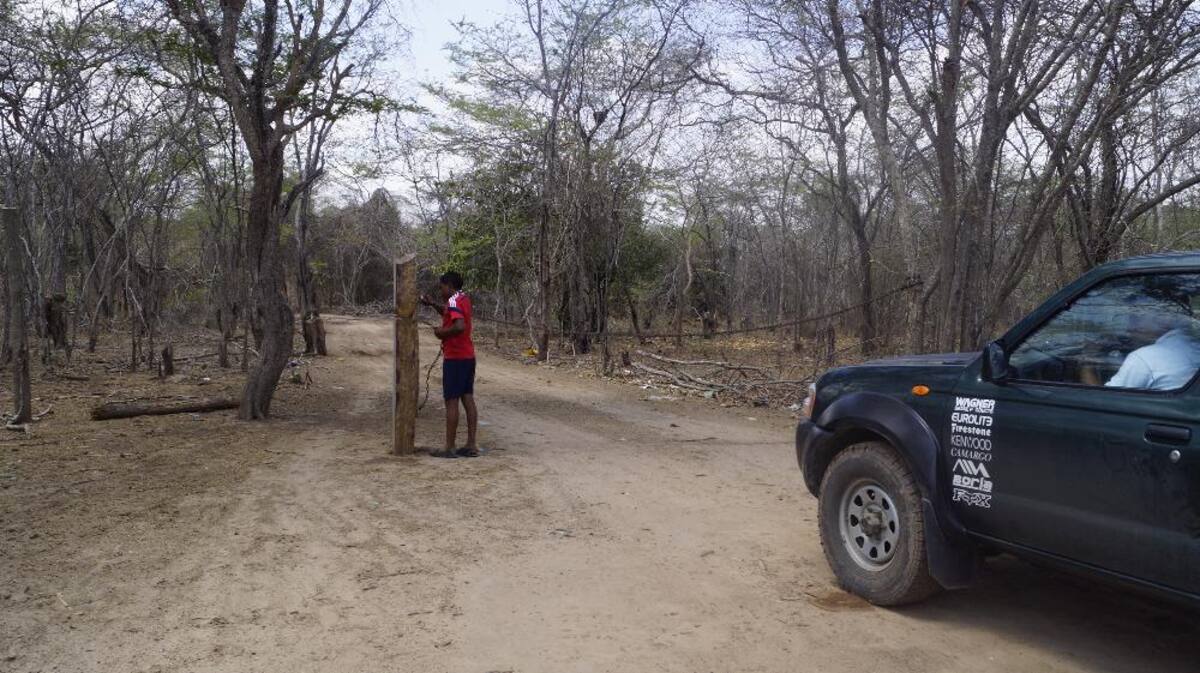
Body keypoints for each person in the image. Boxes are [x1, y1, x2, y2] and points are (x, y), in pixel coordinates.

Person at [420, 271, 479, 457]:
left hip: (455, 358)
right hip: (468, 357)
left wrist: (441, 333)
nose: (440, 290)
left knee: (451, 400)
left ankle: (449, 447)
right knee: (467, 398)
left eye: (442, 287)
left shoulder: (453, 301)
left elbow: (459, 325)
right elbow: (449, 312)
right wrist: (431, 305)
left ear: (450, 286)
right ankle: (471, 445)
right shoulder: (462, 299)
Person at [1106, 310, 1200, 391]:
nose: (1129, 327)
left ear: (1163, 319)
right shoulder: (1193, 344)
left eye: (1136, 318)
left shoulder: (1143, 357)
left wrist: (1090, 368)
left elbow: (1106, 401)